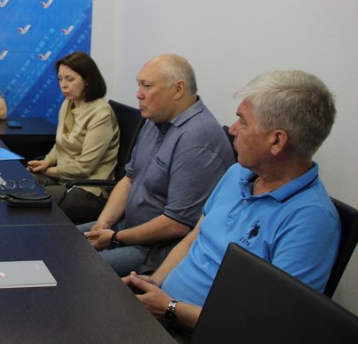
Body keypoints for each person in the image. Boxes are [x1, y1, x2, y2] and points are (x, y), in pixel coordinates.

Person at [122, 70, 339, 336]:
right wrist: (155, 283)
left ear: (276, 141)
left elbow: (271, 327)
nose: (233, 130)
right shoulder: (238, 173)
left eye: (242, 122)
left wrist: (170, 308)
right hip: (163, 310)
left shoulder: (311, 220)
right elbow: (194, 238)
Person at [80, 54, 234, 276]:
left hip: (154, 249)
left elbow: (175, 225)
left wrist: (114, 238)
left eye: (147, 85)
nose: (138, 93)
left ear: (178, 89)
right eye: (139, 84)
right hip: (123, 228)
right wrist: (104, 223)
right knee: (59, 241)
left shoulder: (198, 138)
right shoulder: (155, 119)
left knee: (78, 268)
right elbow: (129, 178)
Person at [27, 52, 119, 223]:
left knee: (31, 201)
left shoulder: (101, 114)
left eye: (70, 79)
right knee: (22, 183)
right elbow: (60, 144)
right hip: (65, 180)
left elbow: (84, 168)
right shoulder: (67, 104)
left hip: (88, 190)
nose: (63, 85)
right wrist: (47, 161)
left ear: (87, 80)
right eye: (60, 79)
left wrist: (48, 171)